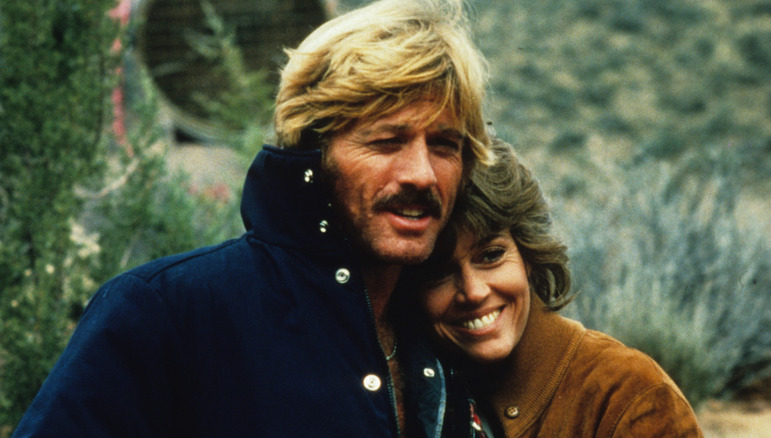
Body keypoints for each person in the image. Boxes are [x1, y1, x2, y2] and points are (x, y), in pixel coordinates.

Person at [12, 0, 493, 436]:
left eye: (444, 145)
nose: (421, 174)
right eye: (387, 141)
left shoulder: (459, 331)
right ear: (313, 149)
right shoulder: (164, 312)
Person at [400, 139, 703, 437]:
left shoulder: (628, 394)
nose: (474, 292)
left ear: (528, 254)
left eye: (491, 256)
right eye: (437, 273)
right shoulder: (404, 390)